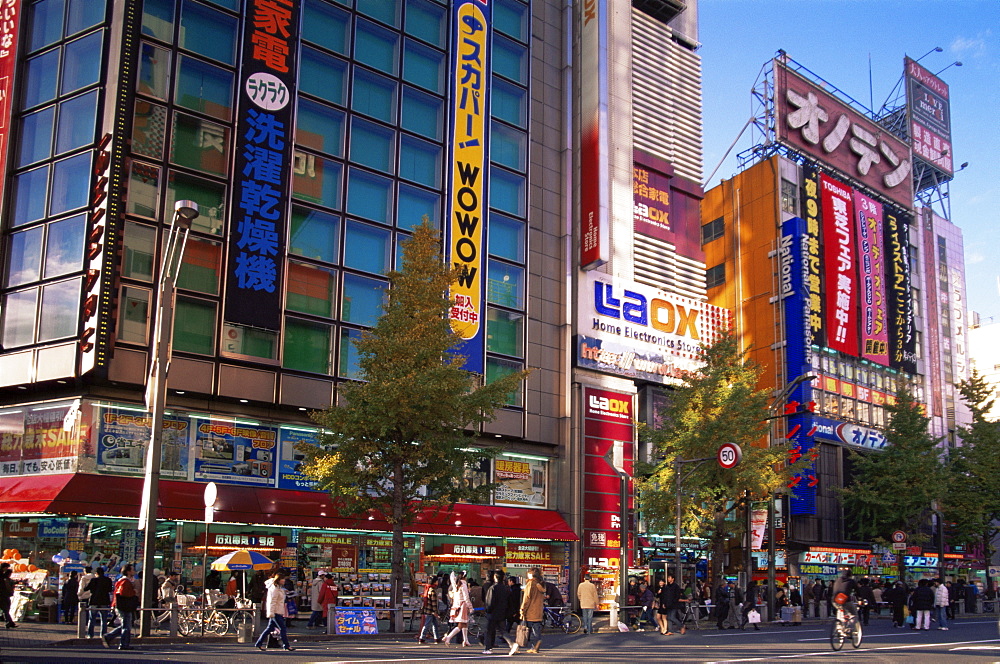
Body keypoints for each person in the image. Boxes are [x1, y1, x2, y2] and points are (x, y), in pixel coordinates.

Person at [253, 569, 295, 651]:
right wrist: (271, 613)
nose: (284, 581)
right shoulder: (275, 589)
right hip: (275, 612)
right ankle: (286, 645)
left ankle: (259, 643)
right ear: (279, 580)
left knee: (269, 628)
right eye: (282, 579)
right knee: (282, 628)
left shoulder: (278, 588)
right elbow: (272, 602)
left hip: (277, 610)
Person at [103, 565, 138, 650]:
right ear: (128, 571)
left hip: (120, 605)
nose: (134, 571)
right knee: (126, 626)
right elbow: (124, 592)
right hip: (124, 605)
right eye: (132, 570)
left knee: (125, 625)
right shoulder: (125, 581)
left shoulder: (123, 580)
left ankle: (109, 637)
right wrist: (134, 592)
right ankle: (123, 643)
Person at [483, 570, 517, 656]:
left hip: (492, 613)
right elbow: (510, 601)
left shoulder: (493, 588)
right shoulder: (506, 588)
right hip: (502, 612)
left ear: (495, 577)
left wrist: (488, 610)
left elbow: (489, 602)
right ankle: (512, 644)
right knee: (502, 630)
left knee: (489, 630)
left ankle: (488, 648)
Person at [442, 571, 473, 646]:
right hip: (463, 606)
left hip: (456, 605)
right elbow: (466, 597)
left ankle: (465, 640)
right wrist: (470, 607)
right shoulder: (463, 584)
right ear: (464, 577)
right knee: (461, 624)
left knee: (465, 623)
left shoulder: (456, 584)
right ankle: (449, 637)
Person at [519, 569, 545, 654]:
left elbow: (526, 598)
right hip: (538, 611)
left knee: (530, 630)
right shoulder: (541, 584)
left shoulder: (531, 584)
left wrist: (522, 609)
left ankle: (536, 644)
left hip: (530, 611)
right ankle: (535, 645)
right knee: (536, 628)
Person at [84, 567, 113, 638]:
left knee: (91, 619)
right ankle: (103, 635)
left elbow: (86, 588)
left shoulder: (93, 580)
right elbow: (110, 589)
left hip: (94, 600)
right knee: (104, 619)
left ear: (96, 573)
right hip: (104, 600)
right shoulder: (108, 580)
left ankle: (90, 635)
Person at [417, 577, 441, 644]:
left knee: (435, 624)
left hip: (428, 610)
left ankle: (437, 638)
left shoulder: (427, 588)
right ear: (434, 582)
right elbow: (434, 603)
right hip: (431, 611)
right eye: (437, 581)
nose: (437, 582)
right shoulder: (432, 590)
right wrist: (435, 612)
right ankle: (422, 638)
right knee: (427, 624)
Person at [77, 566, 95, 633]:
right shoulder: (94, 577)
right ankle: (89, 622)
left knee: (83, 611)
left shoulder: (84, 578)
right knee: (90, 611)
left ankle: (83, 624)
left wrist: (79, 594)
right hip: (92, 596)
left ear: (85, 571)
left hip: (84, 596)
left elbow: (81, 587)